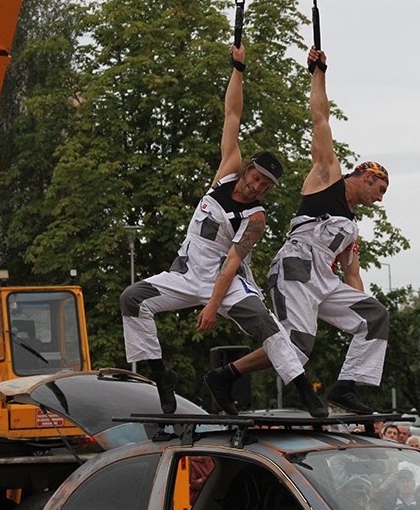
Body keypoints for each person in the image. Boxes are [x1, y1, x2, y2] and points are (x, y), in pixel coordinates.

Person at [120, 44, 324, 416]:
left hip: (226, 281)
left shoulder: (256, 218)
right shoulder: (226, 170)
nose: (257, 187)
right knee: (132, 299)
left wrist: (213, 306)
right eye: (256, 178)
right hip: (185, 273)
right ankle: (161, 374)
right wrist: (237, 68)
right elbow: (233, 113)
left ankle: (303, 389)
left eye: (265, 186)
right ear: (246, 169)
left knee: (265, 323)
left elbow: (231, 263)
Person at [205, 46, 390, 415]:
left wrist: (355, 315)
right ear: (367, 176)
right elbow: (320, 119)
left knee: (375, 316)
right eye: (380, 189)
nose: (380, 199)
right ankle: (227, 375)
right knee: (297, 346)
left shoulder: (352, 227)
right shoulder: (327, 177)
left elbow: (352, 274)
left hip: (323, 280)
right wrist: (318, 73)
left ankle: (346, 387)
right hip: (295, 271)